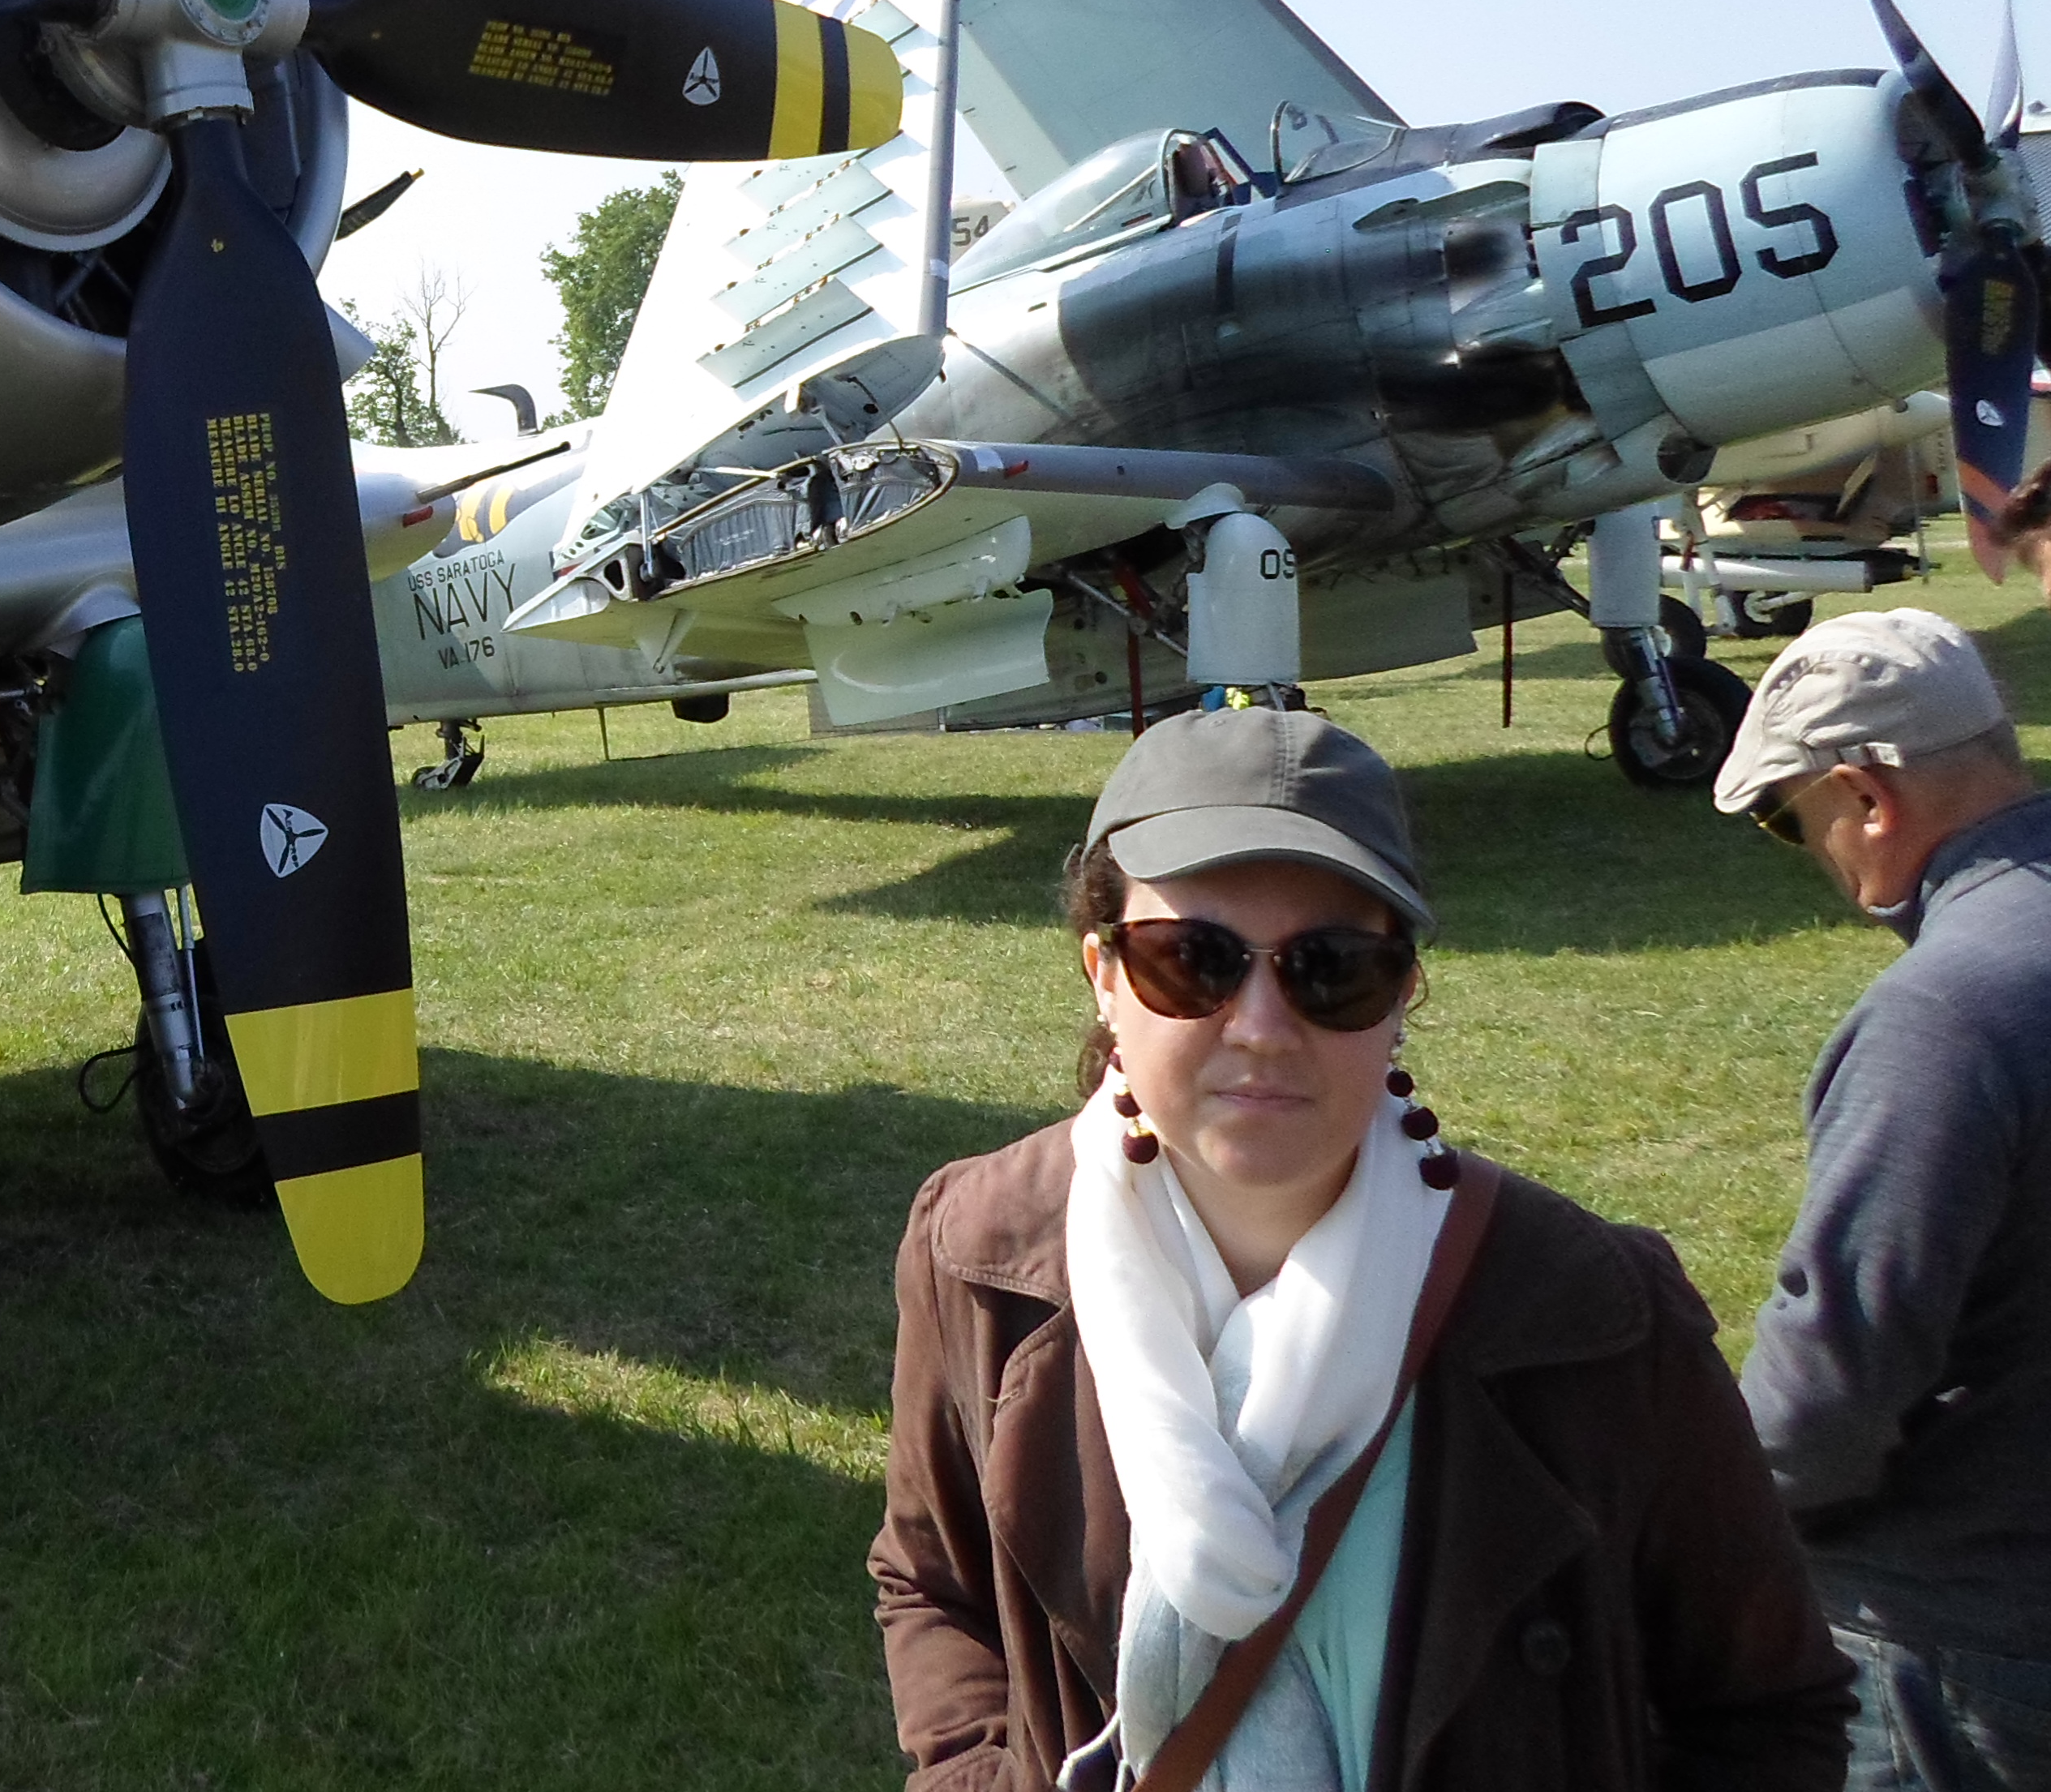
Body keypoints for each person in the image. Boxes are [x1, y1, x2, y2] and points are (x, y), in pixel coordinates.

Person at [877, 705, 1851, 1790]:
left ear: (1403, 995)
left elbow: (1768, 1711)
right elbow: (933, 1586)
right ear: (1103, 973)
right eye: (1191, 960)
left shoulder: (1593, 1311)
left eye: (1331, 967)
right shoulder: (978, 1254)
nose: (1260, 1026)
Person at [1714, 609, 2051, 1789]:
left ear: (1866, 795)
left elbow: (1835, 1376)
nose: (1809, 851)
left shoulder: (1944, 1016)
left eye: (1786, 817)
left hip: (1963, 1646)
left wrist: (1704, 1521)